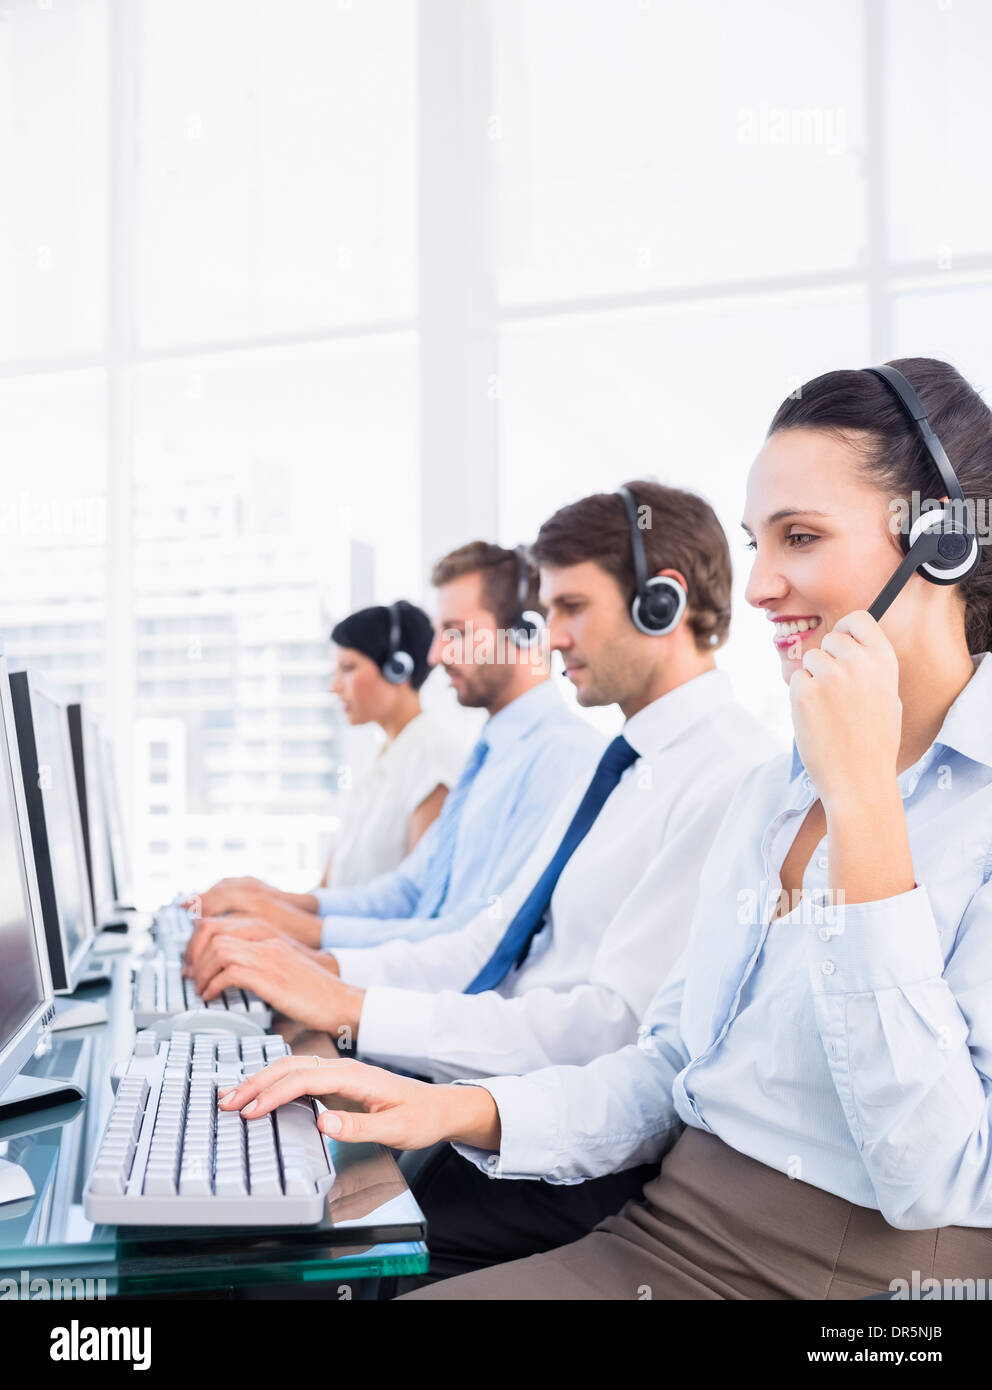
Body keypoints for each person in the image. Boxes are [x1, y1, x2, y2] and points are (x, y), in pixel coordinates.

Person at [223, 357, 992, 1300]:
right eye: (757, 542)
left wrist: (866, 802)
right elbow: (670, 1063)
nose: (760, 586)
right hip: (670, 1219)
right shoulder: (771, 792)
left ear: (943, 544)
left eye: (800, 536)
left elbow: (931, 1176)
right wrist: (449, 1106)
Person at [199, 480, 781, 1274]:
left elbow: (617, 1032)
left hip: (570, 1141)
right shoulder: (618, 760)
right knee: (250, 1190)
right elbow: (485, 940)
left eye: (572, 607)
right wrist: (334, 991)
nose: (554, 637)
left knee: (284, 1253)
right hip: (499, 1096)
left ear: (659, 603)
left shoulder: (729, 774)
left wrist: (351, 1008)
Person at [186, 541, 603, 948]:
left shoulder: (562, 759)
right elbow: (408, 891)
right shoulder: (491, 754)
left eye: (455, 633)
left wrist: (304, 938)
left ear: (526, 634)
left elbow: (476, 942)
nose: (436, 655)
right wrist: (276, 906)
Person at [320, 601, 467, 888]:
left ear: (397, 668)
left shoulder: (433, 758)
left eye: (348, 668)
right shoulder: (376, 759)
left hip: (370, 933)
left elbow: (418, 896)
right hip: (329, 929)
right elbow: (326, 887)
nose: (335, 686)